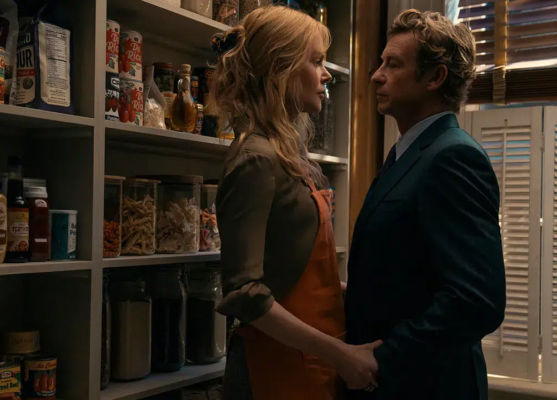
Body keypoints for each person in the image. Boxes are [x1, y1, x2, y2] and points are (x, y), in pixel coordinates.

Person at [211, 5, 379, 400]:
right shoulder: (255, 159)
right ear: (280, 69)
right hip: (271, 368)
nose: (326, 74)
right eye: (316, 61)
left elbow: (291, 267)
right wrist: (339, 353)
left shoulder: (290, 156)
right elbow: (245, 293)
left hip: (310, 363)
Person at [344, 9, 507, 400]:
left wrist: (383, 358)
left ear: (435, 78)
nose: (376, 75)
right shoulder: (409, 153)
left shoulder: (453, 157)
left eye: (393, 64)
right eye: (381, 63)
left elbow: (476, 302)